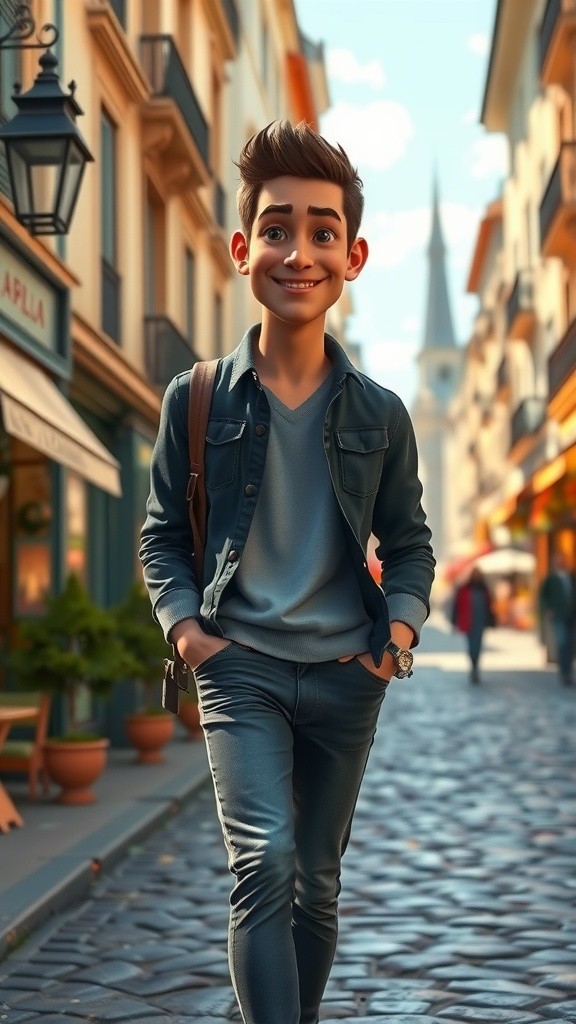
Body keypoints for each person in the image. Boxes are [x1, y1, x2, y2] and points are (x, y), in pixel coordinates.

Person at [139, 120, 435, 1024]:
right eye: (275, 228)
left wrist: (396, 637)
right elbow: (162, 537)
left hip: (348, 675)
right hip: (244, 669)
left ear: (353, 256)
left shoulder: (381, 416)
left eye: (320, 232)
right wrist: (191, 636)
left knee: (315, 883)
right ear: (241, 248)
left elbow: (411, 539)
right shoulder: (193, 398)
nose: (296, 251)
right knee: (261, 860)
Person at [451, 566, 494, 684]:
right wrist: (454, 621)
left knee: (478, 646)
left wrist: (491, 620)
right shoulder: (464, 589)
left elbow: (489, 607)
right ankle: (473, 666)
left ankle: (475, 667)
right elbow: (457, 606)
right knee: (471, 647)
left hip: (480, 622)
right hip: (468, 622)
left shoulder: (484, 590)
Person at [539, 551, 576, 686]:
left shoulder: (571, 577)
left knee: (571, 645)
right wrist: (548, 609)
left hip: (571, 615)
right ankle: (564, 672)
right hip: (558, 616)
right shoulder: (551, 579)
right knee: (562, 643)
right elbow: (543, 596)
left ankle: (568, 671)